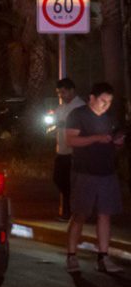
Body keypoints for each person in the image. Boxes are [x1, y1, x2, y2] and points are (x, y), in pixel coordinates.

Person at [65, 82, 126, 274]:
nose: (106, 105)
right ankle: (71, 255)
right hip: (85, 173)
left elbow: (113, 143)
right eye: (102, 101)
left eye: (109, 102)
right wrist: (96, 138)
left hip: (107, 172)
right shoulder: (78, 115)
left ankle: (103, 257)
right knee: (80, 214)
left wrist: (117, 143)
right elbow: (71, 140)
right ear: (92, 98)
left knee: (105, 214)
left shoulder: (110, 118)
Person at [47, 78, 85, 221]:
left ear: (71, 90)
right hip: (61, 150)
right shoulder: (61, 108)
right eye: (59, 93)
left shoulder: (80, 108)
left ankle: (71, 212)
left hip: (74, 152)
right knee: (59, 179)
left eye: (63, 92)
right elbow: (55, 125)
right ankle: (70, 211)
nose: (61, 95)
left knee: (70, 183)